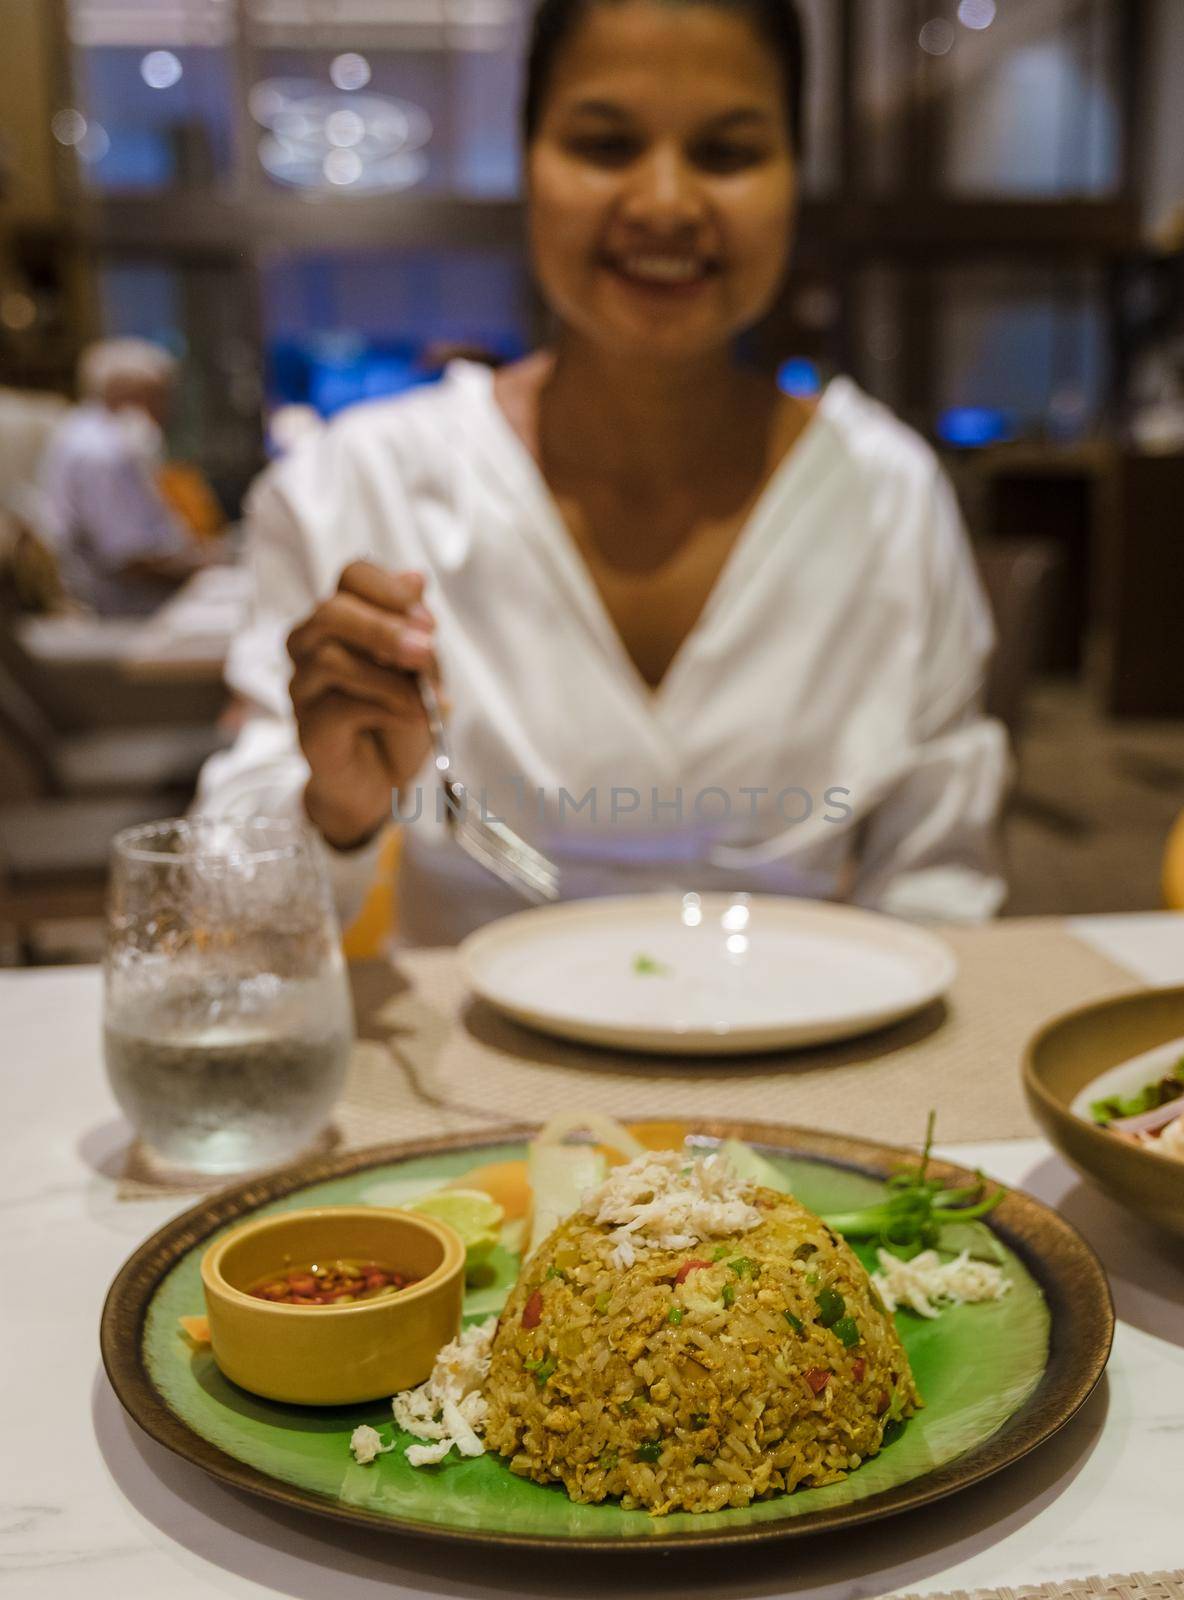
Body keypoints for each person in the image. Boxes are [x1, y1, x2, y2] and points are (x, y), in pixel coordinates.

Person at [197, 0, 1009, 944]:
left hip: (814, 1065)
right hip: (467, 1078)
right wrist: (334, 806)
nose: (665, 202)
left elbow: (940, 893)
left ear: (795, 178)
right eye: (606, 143)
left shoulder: (890, 495)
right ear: (528, 162)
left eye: (727, 153)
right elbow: (226, 919)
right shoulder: (357, 482)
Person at [39, 338, 211, 616]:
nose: (166, 411)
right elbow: (129, 560)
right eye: (160, 396)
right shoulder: (104, 452)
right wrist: (208, 565)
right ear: (130, 395)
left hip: (128, 599)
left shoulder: (82, 430)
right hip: (124, 610)